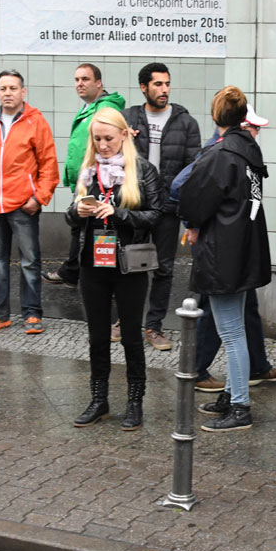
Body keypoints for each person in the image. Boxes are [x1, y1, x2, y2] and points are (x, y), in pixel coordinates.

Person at [170, 106, 276, 392]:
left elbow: (252, 206)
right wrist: (194, 225)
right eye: (255, 127)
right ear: (240, 126)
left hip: (232, 250)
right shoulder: (219, 154)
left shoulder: (243, 156)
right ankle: (227, 390)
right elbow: (180, 188)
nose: (258, 133)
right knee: (228, 325)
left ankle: (245, 379)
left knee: (239, 317)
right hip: (222, 251)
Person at [68, 108, 165, 430]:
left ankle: (135, 402)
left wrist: (120, 213)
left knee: (131, 338)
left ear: (124, 135)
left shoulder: (143, 170)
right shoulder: (89, 171)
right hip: (92, 263)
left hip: (129, 265)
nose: (103, 145)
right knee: (97, 336)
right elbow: (71, 216)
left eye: (108, 138)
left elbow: (155, 215)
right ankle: (99, 401)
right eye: (97, 140)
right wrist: (77, 210)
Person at [181, 87, 271, 433]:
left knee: (231, 332)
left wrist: (190, 223)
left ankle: (239, 406)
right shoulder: (249, 152)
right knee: (236, 330)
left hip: (223, 252)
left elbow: (195, 199)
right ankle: (232, 393)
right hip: (244, 250)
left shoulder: (221, 155)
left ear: (216, 116)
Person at [0, 70, 59, 335]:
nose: (7, 93)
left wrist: (39, 197)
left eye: (12, 88)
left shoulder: (36, 122)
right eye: (3, 88)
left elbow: (49, 165)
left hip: (24, 205)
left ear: (23, 91)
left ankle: (32, 314)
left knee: (30, 262)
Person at [124, 62, 201, 352]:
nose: (164, 89)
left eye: (167, 84)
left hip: (168, 208)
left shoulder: (185, 122)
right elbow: (111, 153)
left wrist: (182, 204)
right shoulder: (129, 118)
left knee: (164, 268)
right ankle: (125, 320)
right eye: (158, 84)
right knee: (130, 263)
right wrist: (124, 141)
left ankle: (153, 326)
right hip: (136, 206)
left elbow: (193, 167)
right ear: (144, 87)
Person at [43, 63, 125, 288]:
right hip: (86, 178)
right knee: (79, 226)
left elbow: (99, 145)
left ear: (98, 83)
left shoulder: (104, 108)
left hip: (98, 180)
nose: (79, 84)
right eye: (77, 79)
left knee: (89, 227)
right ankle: (74, 271)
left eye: (85, 79)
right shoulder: (89, 108)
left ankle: (83, 275)